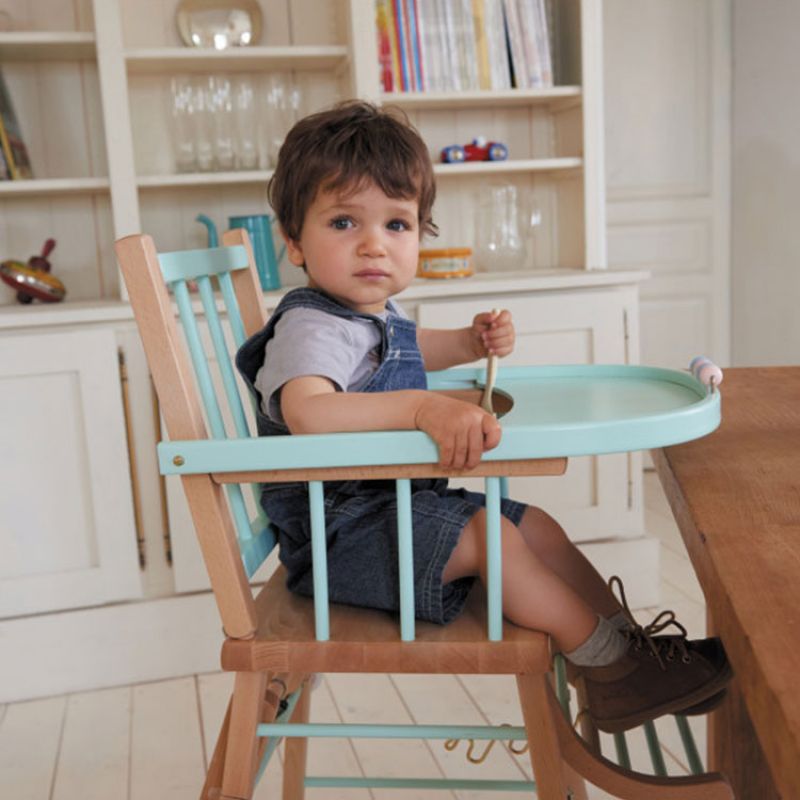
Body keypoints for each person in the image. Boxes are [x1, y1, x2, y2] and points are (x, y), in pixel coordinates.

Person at [236, 101, 731, 733]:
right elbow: (310, 412)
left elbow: (414, 350)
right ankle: (611, 667)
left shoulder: (371, 316)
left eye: (397, 223)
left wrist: (469, 343)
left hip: (393, 514)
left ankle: (632, 653)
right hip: (342, 541)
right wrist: (421, 406)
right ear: (294, 241)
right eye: (343, 221)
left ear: (421, 232)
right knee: (493, 538)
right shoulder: (310, 326)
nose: (373, 245)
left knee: (540, 528)